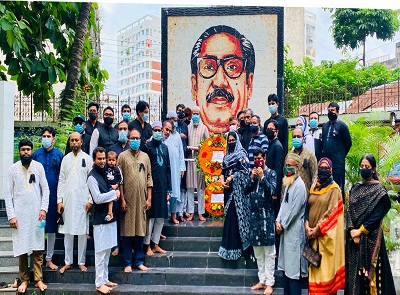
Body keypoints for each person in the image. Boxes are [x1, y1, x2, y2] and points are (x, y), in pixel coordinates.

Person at [345, 154, 396, 295]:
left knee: (373, 278)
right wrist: (351, 231)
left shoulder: (379, 191)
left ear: (373, 169)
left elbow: (377, 215)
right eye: (362, 166)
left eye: (367, 167)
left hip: (372, 240)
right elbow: (348, 211)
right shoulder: (355, 188)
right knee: (354, 279)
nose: (363, 169)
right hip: (353, 242)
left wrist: (360, 231)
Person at [190, 25, 255, 133]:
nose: (219, 82)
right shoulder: (187, 132)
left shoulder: (251, 138)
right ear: (194, 86)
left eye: (232, 67)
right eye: (209, 67)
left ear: (249, 85)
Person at [5, 139, 50, 293]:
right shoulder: (13, 169)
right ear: (19, 152)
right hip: (19, 215)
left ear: (32, 151)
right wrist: (11, 216)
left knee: (37, 247)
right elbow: (7, 194)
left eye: (28, 149)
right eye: (23, 149)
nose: (26, 152)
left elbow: (46, 190)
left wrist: (43, 209)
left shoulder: (38, 167)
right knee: (22, 248)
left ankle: (38, 279)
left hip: (37, 214)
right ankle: (24, 279)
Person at [305, 157, 345, 295]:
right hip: (312, 238)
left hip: (325, 239)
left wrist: (317, 230)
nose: (323, 170)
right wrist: (307, 225)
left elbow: (332, 213)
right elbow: (307, 206)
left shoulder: (335, 189)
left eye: (326, 168)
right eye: (321, 167)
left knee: (325, 279)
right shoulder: (314, 186)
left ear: (331, 170)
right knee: (314, 278)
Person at [57, 132, 93, 274]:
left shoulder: (87, 159)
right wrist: (59, 201)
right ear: (70, 142)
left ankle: (81, 262)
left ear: (81, 142)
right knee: (68, 232)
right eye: (72, 140)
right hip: (68, 201)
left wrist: (90, 200)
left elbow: (91, 181)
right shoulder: (65, 159)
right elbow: (61, 181)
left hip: (82, 201)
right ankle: (68, 262)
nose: (74, 143)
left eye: (76, 140)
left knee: (82, 232)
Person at [118, 129, 153, 273]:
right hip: (128, 200)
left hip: (142, 200)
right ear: (128, 139)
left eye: (137, 138)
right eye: (132, 138)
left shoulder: (145, 157)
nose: (135, 140)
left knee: (140, 231)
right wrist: (122, 199)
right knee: (127, 232)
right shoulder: (122, 156)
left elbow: (149, 178)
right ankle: (127, 262)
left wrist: (149, 198)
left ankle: (139, 261)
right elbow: (119, 180)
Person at [87, 147, 119, 295]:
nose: (102, 161)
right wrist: (114, 193)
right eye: (99, 159)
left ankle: (105, 279)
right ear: (94, 160)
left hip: (110, 218)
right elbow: (98, 199)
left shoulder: (106, 172)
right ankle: (99, 283)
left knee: (107, 251)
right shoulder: (91, 177)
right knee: (100, 252)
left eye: (104, 158)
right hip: (100, 219)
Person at [244, 148, 277, 295]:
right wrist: (252, 178)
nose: (258, 160)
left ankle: (270, 282)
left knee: (269, 251)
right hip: (254, 218)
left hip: (267, 218)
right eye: (255, 158)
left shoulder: (271, 173)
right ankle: (262, 280)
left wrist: (263, 177)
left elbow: (272, 191)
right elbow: (245, 190)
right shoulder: (252, 173)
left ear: (265, 158)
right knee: (258, 252)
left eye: (260, 158)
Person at [32, 126, 63, 270]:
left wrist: (60, 199)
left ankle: (49, 258)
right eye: (43, 136)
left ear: (53, 138)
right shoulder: (36, 155)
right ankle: (36, 258)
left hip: (53, 196)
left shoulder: (59, 155)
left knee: (51, 228)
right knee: (37, 227)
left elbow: (62, 178)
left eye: (48, 136)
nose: (45, 139)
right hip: (36, 197)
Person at [276, 153, 308, 295]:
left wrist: (283, 224)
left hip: (294, 232)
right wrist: (278, 220)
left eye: (290, 165)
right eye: (286, 165)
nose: (287, 168)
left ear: (298, 167)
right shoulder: (289, 183)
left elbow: (294, 211)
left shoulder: (300, 186)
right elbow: (284, 204)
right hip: (285, 231)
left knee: (293, 272)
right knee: (286, 271)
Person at [218, 132, 251, 260]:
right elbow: (222, 171)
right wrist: (222, 181)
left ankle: (237, 249)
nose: (231, 142)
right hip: (227, 190)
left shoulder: (242, 155)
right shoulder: (227, 156)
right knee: (228, 219)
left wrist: (232, 177)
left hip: (237, 192)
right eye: (229, 140)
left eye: (233, 140)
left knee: (235, 218)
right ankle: (227, 249)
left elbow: (246, 173)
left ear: (237, 140)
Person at [143, 121, 171, 256]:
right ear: (152, 131)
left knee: (160, 218)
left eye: (160, 130)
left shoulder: (165, 148)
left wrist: (169, 189)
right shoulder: (147, 147)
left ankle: (155, 244)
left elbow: (168, 169)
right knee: (151, 218)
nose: (158, 132)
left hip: (163, 186)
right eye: (155, 130)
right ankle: (147, 245)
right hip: (151, 187)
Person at [321, 102, 352, 200]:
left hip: (338, 163)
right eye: (329, 110)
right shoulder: (325, 126)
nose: (330, 112)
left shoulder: (342, 126)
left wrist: (341, 155)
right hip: (327, 163)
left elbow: (348, 143)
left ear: (338, 112)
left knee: (337, 187)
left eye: (332, 110)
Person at [186, 106, 209, 221]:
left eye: (197, 113)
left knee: (200, 188)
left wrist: (199, 148)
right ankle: (190, 212)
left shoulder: (204, 128)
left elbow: (208, 144)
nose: (195, 115)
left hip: (200, 162)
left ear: (200, 115)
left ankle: (200, 213)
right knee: (190, 187)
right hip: (190, 161)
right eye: (193, 113)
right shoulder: (187, 128)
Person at [164, 113, 186, 224]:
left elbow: (181, 153)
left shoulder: (176, 135)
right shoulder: (162, 135)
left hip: (175, 168)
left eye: (175, 119)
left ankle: (173, 215)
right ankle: (163, 218)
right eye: (172, 119)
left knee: (174, 192)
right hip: (164, 170)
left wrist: (182, 167)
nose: (174, 121)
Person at [104, 150, 123, 257]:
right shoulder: (105, 169)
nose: (111, 162)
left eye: (113, 160)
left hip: (116, 196)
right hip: (106, 195)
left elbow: (121, 179)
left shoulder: (117, 169)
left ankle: (118, 246)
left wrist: (116, 185)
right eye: (109, 160)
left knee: (117, 221)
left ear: (116, 161)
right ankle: (110, 245)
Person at [290, 127, 318, 197]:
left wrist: (312, 195)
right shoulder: (289, 156)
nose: (296, 138)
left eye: (299, 136)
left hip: (306, 195)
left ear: (303, 139)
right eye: (294, 137)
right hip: (291, 194)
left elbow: (315, 176)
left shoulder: (310, 155)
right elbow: (285, 176)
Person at [176, 104, 189, 219]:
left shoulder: (185, 125)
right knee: (175, 186)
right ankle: (175, 212)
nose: (180, 113)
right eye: (179, 111)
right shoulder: (172, 126)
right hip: (174, 161)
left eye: (182, 111)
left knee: (183, 186)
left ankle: (182, 210)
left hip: (184, 159)